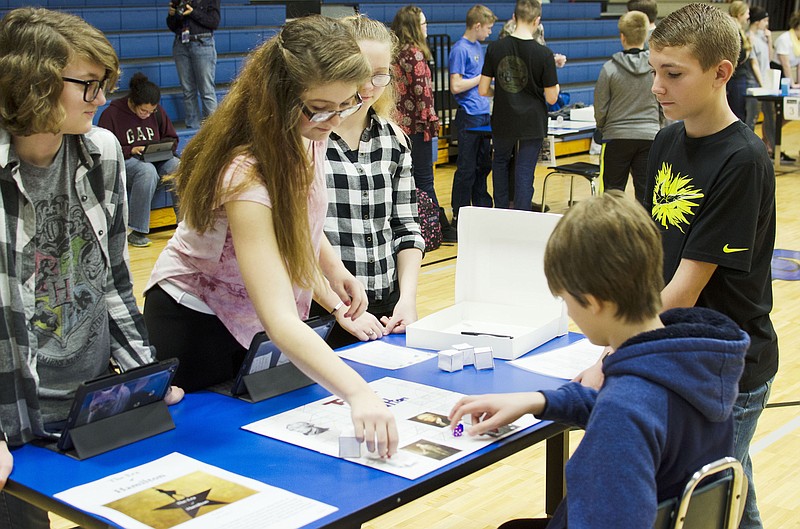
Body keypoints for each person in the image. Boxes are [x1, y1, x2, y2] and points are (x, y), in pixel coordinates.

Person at [142, 15, 399, 458]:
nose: (333, 119)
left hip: (248, 314)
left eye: (345, 105)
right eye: (320, 107)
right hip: (196, 322)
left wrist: (332, 270)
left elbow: (298, 220)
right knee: (212, 460)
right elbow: (280, 319)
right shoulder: (246, 174)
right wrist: (359, 393)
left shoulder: (309, 130)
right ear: (278, 98)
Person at [577, 6, 777, 529]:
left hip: (725, 363)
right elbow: (648, 251)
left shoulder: (743, 160)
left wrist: (614, 352)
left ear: (721, 73)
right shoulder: (666, 139)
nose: (657, 88)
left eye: (673, 74)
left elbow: (685, 287)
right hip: (674, 347)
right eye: (655, 70)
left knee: (697, 503)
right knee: (730, 492)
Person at [449, 191, 748, 528]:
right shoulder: (693, 363)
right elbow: (648, 416)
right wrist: (539, 400)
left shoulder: (625, 411)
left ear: (592, 302)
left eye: (564, 299)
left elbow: (623, 418)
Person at [0, 8, 183, 528]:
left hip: (93, 399)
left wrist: (146, 371)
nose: (101, 99)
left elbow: (111, 278)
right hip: (13, 411)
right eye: (87, 84)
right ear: (33, 81)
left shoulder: (101, 151)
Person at [320, 15, 425, 349]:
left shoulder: (393, 139)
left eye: (380, 76)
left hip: (384, 307)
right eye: (360, 73)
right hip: (322, 306)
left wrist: (406, 299)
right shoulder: (309, 139)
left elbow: (407, 228)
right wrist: (337, 306)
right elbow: (297, 239)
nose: (369, 87)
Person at [480, 0, 559, 211]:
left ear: (514, 18)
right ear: (537, 20)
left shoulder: (495, 48)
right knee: (524, 170)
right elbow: (552, 98)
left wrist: (503, 92)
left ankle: (501, 211)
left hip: (503, 117)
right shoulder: (544, 54)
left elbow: (482, 89)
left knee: (500, 163)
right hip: (532, 120)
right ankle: (522, 216)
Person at [98, 73, 180, 247]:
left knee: (177, 166)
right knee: (146, 171)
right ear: (132, 103)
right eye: (144, 110)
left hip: (154, 157)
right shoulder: (112, 113)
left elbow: (172, 138)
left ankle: (185, 224)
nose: (147, 114)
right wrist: (130, 149)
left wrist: (161, 148)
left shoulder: (157, 113)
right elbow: (106, 148)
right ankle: (138, 231)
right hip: (128, 160)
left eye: (152, 111)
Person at [593, 10, 661, 202]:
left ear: (622, 37)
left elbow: (600, 107)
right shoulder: (656, 69)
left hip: (617, 137)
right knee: (647, 193)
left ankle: (610, 232)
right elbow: (663, 101)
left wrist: (602, 126)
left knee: (611, 195)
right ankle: (646, 232)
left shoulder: (609, 68)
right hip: (650, 135)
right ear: (646, 35)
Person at [390, 7, 444, 225]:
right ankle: (433, 225)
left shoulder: (395, 52)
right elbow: (423, 93)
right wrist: (432, 122)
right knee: (424, 179)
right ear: (414, 27)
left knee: (404, 179)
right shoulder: (414, 53)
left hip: (397, 125)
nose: (426, 27)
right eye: (423, 23)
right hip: (417, 127)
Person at [448, 4, 497, 229]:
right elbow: (456, 85)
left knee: (483, 165)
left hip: (483, 112)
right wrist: (481, 78)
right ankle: (460, 212)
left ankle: (481, 209)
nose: (489, 33)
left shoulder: (478, 47)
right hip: (468, 114)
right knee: (466, 167)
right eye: (487, 28)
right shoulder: (460, 49)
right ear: (477, 25)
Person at [166, 0, 219, 129]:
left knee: (206, 90)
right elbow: (172, 26)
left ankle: (213, 129)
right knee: (187, 90)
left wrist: (193, 12)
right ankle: (192, 126)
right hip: (181, 43)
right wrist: (173, 15)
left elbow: (214, 22)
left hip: (202, 42)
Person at [747, 7, 780, 159]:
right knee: (752, 117)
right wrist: (762, 84)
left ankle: (773, 149)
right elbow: (754, 63)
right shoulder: (750, 37)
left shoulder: (762, 37)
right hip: (755, 84)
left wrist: (769, 39)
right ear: (758, 21)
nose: (767, 24)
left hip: (766, 83)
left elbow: (770, 58)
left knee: (770, 115)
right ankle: (749, 151)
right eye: (765, 20)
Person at [727, 2, 762, 123]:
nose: (748, 16)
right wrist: (749, 46)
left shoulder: (736, 29)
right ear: (740, 14)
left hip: (737, 78)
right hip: (737, 79)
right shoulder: (734, 30)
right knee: (739, 114)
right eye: (747, 13)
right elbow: (739, 57)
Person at [774, 11, 800, 88]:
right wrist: (792, 84)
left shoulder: (798, 41)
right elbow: (786, 65)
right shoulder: (784, 39)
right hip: (778, 72)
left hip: (788, 74)